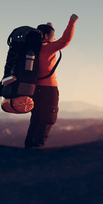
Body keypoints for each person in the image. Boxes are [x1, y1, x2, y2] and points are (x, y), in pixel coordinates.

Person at [24, 13, 79, 148]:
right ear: (47, 37)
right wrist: (72, 21)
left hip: (35, 89)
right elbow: (65, 40)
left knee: (36, 119)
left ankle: (29, 147)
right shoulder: (48, 49)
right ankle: (38, 148)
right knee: (48, 119)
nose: (54, 38)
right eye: (52, 36)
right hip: (48, 90)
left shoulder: (33, 49)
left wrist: (49, 29)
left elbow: (48, 37)